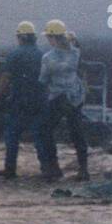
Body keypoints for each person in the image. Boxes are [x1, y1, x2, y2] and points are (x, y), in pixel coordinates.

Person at [0, 20, 59, 180]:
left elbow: (5, 77)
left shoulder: (14, 54)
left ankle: (10, 169)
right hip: (40, 100)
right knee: (40, 135)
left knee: (12, 135)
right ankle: (48, 169)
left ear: (20, 37)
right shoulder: (43, 54)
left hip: (19, 100)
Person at [40, 19, 89, 182]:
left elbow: (43, 79)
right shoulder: (75, 52)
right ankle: (83, 169)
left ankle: (53, 168)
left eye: (48, 36)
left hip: (58, 98)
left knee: (45, 130)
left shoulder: (48, 57)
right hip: (75, 97)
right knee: (77, 133)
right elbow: (78, 50)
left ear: (52, 38)